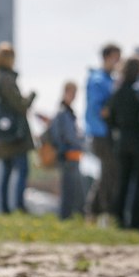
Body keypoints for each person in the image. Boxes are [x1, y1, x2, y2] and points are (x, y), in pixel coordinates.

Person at [0, 41, 36, 215]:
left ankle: (5, 208)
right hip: (14, 135)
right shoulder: (6, 79)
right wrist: (31, 97)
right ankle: (19, 206)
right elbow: (20, 105)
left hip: (3, 134)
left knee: (7, 171)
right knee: (22, 169)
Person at [107, 57, 139, 231]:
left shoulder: (117, 91)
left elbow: (109, 117)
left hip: (122, 140)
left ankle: (118, 220)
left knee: (122, 182)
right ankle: (136, 222)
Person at [83, 43, 121, 224]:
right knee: (109, 172)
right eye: (116, 57)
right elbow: (98, 110)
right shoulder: (98, 80)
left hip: (105, 133)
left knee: (107, 173)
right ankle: (100, 212)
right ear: (107, 57)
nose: (118, 62)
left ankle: (93, 212)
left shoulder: (109, 78)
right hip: (99, 133)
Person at [49, 81, 85, 220]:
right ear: (65, 92)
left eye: (75, 93)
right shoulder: (62, 113)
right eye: (71, 92)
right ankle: (65, 217)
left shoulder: (69, 113)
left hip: (74, 155)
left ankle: (72, 217)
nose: (74, 96)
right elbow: (66, 136)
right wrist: (81, 141)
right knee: (68, 190)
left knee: (75, 190)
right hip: (67, 155)